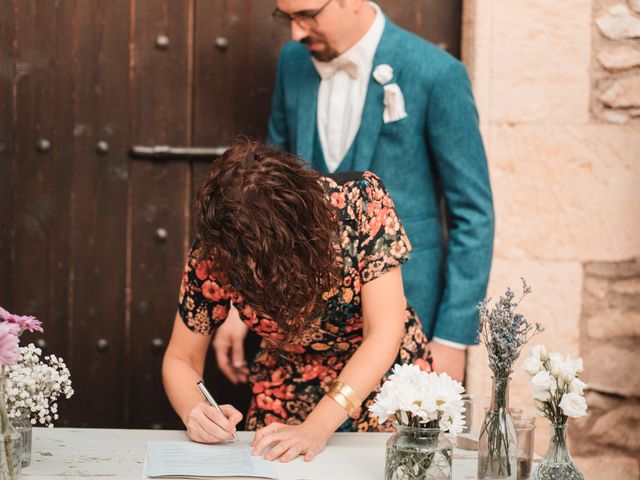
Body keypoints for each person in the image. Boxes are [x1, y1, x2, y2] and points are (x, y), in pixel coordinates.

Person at [213, 0, 494, 383]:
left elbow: (473, 215)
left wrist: (451, 338)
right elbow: (264, 202)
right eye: (287, 17)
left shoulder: (437, 74)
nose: (295, 32)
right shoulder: (292, 63)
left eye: (308, 15)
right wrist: (236, 306)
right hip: (303, 334)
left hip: (408, 323)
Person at [162, 139, 432, 462]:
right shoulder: (214, 252)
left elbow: (384, 332)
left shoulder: (361, 203)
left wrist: (317, 426)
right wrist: (194, 409)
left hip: (381, 378)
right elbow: (180, 358)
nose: (256, 279)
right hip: (287, 382)